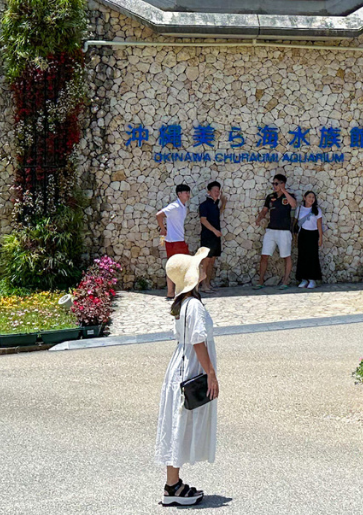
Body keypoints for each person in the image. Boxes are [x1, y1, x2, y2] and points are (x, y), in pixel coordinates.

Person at [155, 248, 218, 507]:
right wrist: (211, 374)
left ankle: (174, 483)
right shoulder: (194, 306)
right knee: (180, 424)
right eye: (199, 265)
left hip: (180, 368)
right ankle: (172, 488)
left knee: (176, 424)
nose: (203, 266)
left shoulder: (184, 304)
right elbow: (198, 341)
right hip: (190, 369)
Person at [254, 175, 297, 288]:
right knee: (264, 255)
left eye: (276, 183)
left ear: (283, 183)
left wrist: (284, 191)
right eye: (273, 183)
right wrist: (259, 218)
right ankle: (260, 281)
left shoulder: (290, 196)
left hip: (284, 231)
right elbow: (265, 210)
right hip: (271, 230)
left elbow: (294, 205)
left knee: (286, 256)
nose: (274, 186)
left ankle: (285, 281)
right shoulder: (270, 197)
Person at [156, 184, 192, 298]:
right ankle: (176, 291)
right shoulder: (174, 206)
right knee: (180, 266)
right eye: (185, 192)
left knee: (175, 266)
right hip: (174, 241)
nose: (188, 194)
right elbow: (159, 215)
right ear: (179, 194)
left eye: (188, 192)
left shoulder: (183, 207)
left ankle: (172, 291)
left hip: (178, 240)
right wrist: (163, 229)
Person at [197, 181, 224, 292]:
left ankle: (208, 283)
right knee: (206, 261)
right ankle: (203, 285)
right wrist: (214, 231)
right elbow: (203, 220)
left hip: (215, 237)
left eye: (218, 191)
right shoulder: (204, 205)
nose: (217, 193)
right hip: (208, 236)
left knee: (212, 260)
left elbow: (218, 214)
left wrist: (224, 203)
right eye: (215, 191)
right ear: (209, 192)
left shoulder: (215, 205)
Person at [294, 191, 324, 289]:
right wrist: (295, 236)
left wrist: (320, 237)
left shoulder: (317, 210)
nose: (311, 199)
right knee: (302, 256)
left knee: (312, 257)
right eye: (309, 197)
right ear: (304, 198)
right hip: (303, 234)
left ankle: (312, 279)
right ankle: (303, 279)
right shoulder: (299, 209)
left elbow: (319, 224)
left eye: (313, 197)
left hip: (313, 234)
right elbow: (295, 222)